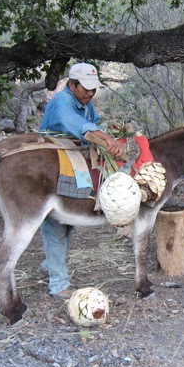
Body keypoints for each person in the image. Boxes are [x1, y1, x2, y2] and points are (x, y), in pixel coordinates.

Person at [39, 62, 125, 298]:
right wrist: (104, 137)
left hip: (73, 162)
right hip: (52, 164)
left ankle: (50, 264)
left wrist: (109, 130)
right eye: (85, 88)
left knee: (67, 221)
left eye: (93, 89)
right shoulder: (62, 102)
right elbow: (81, 128)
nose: (90, 93)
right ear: (71, 84)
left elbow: (94, 123)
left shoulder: (85, 104)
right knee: (56, 220)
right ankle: (58, 283)